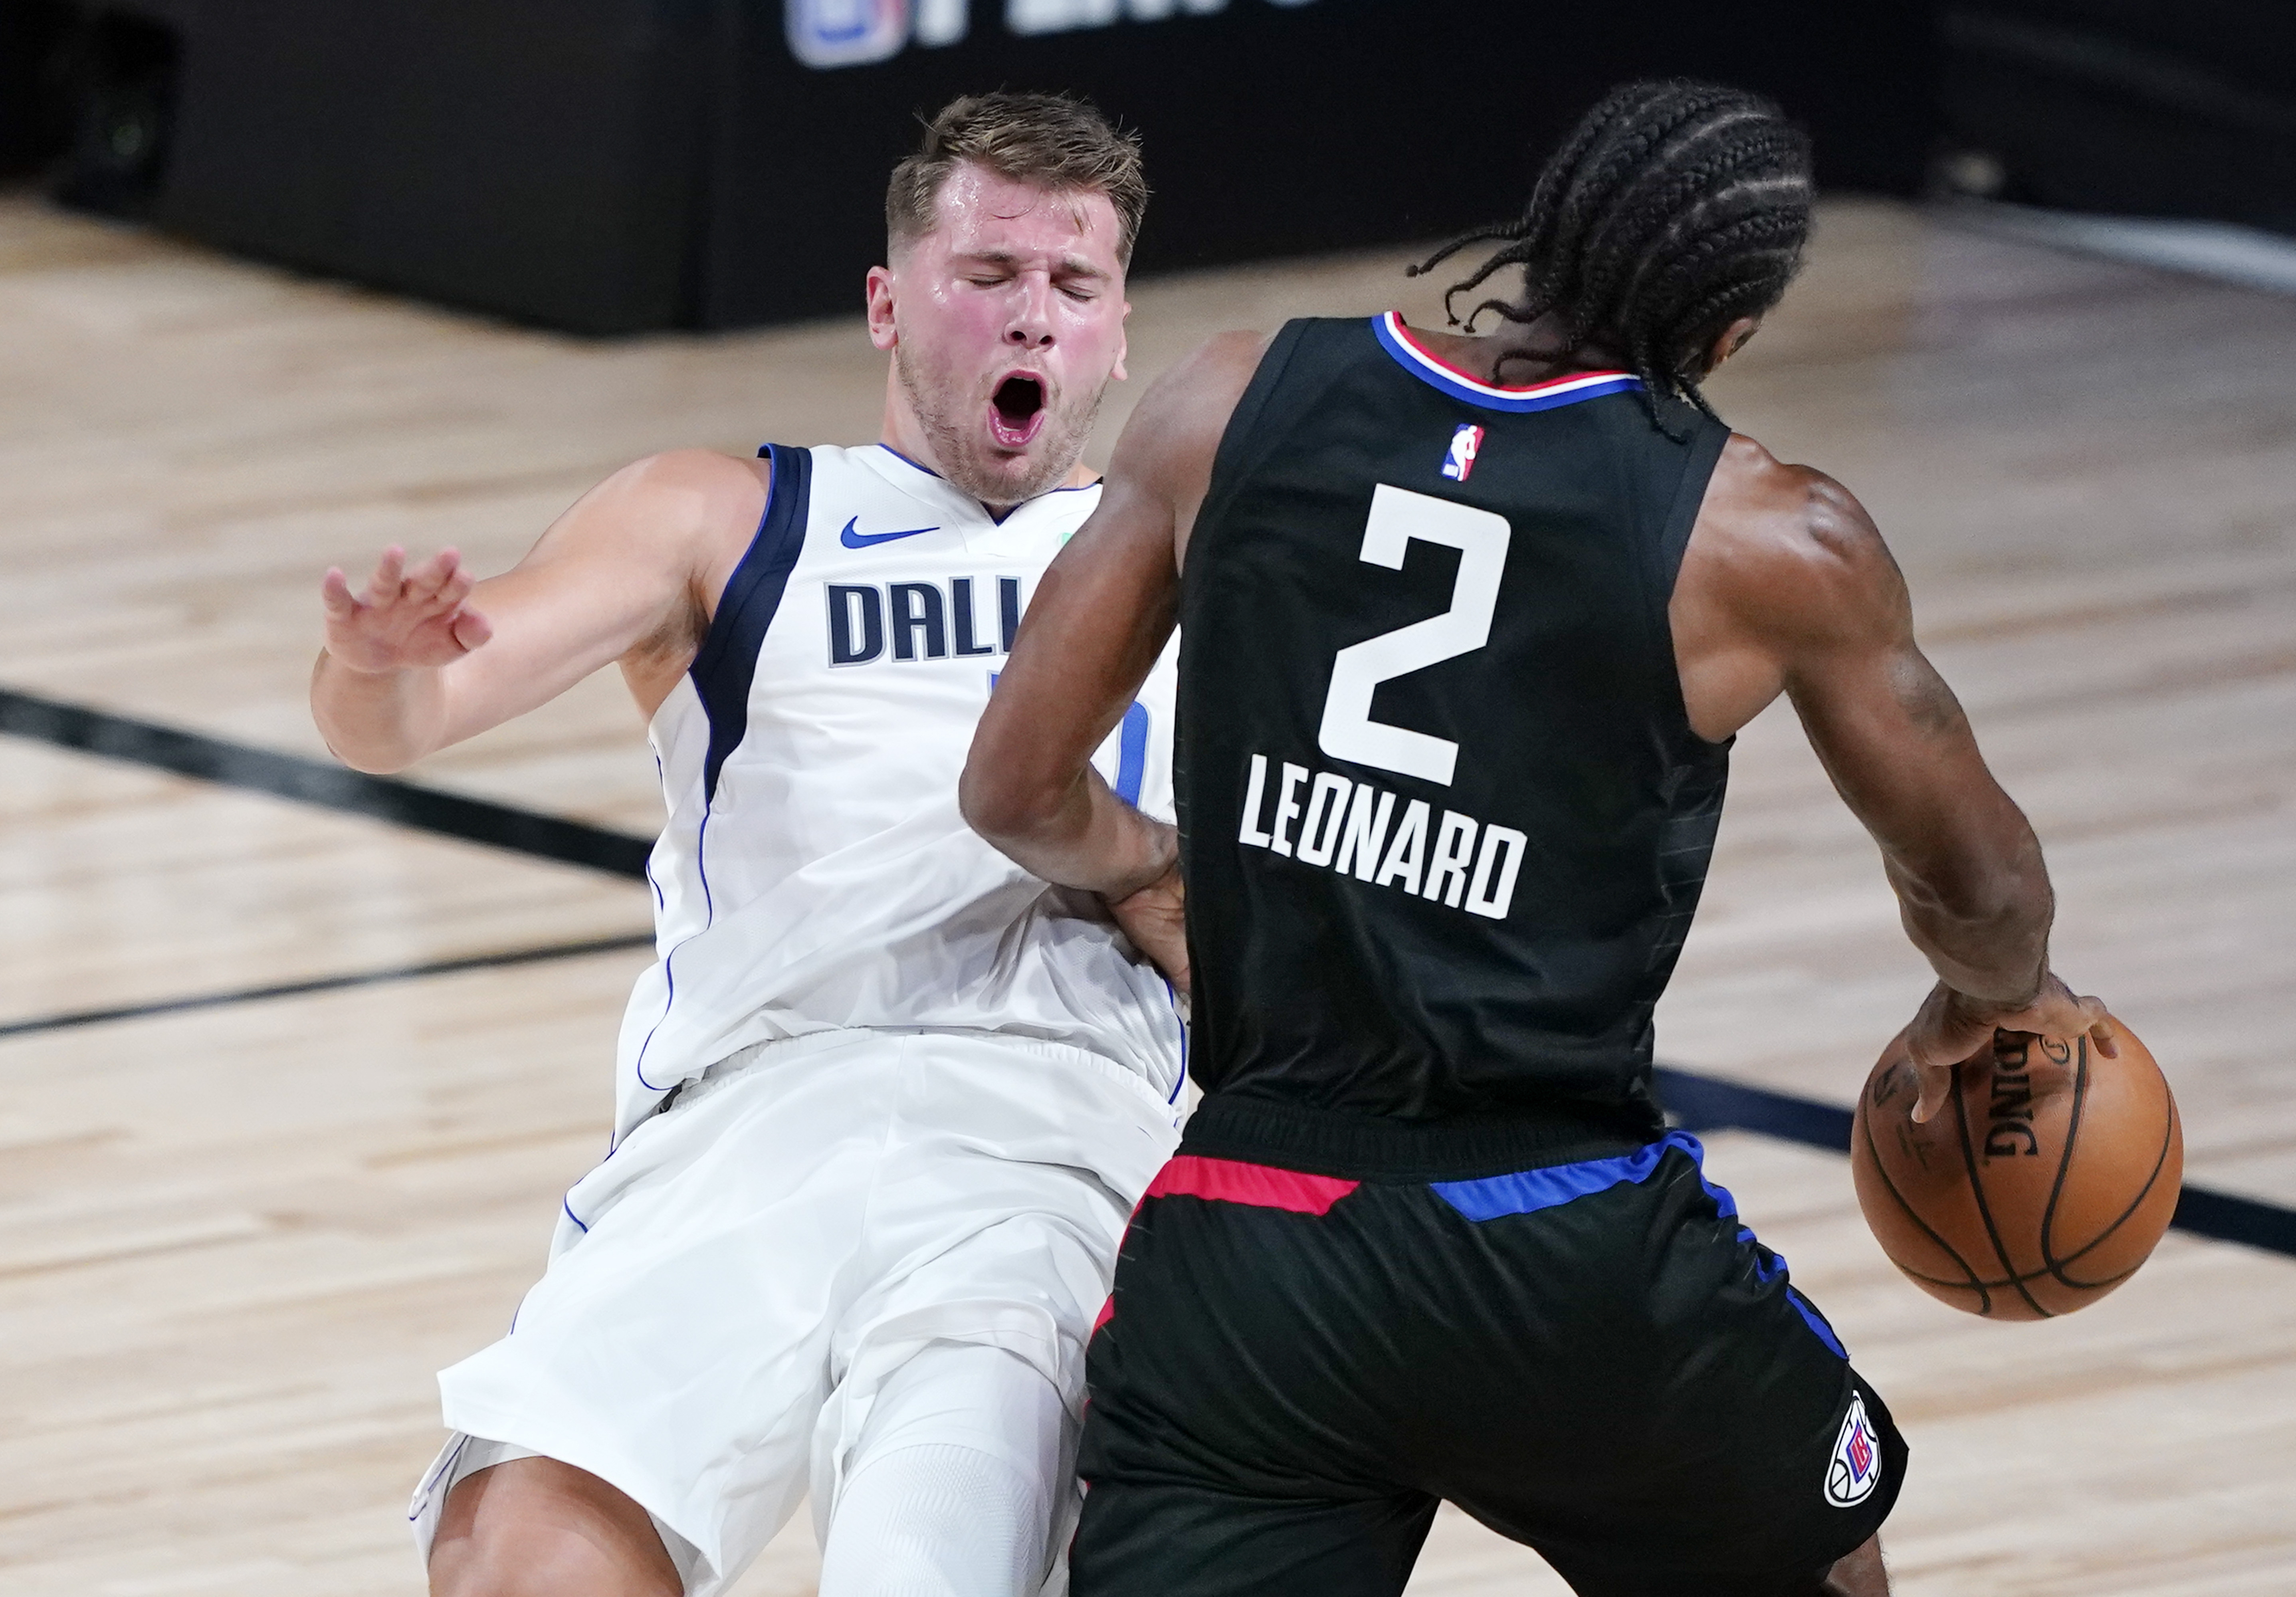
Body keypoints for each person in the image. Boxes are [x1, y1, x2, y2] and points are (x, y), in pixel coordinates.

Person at [959, 79, 2118, 1597]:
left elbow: (1017, 791)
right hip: (1558, 1239)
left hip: (1251, 1243)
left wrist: (1153, 868)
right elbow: (1985, 890)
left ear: (1541, 229)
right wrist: (2000, 1005)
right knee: (1826, 1566)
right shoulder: (1770, 539)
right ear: (1731, 335)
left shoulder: (1232, 396)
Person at [310, 92, 1185, 1597]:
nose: (1031, 320)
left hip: (1042, 1136)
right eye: (989, 279)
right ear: (888, 302)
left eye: (1073, 287)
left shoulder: (1190, 554)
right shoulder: (727, 514)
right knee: (517, 1557)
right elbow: (410, 716)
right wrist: (378, 667)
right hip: (748, 1113)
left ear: (1116, 333)